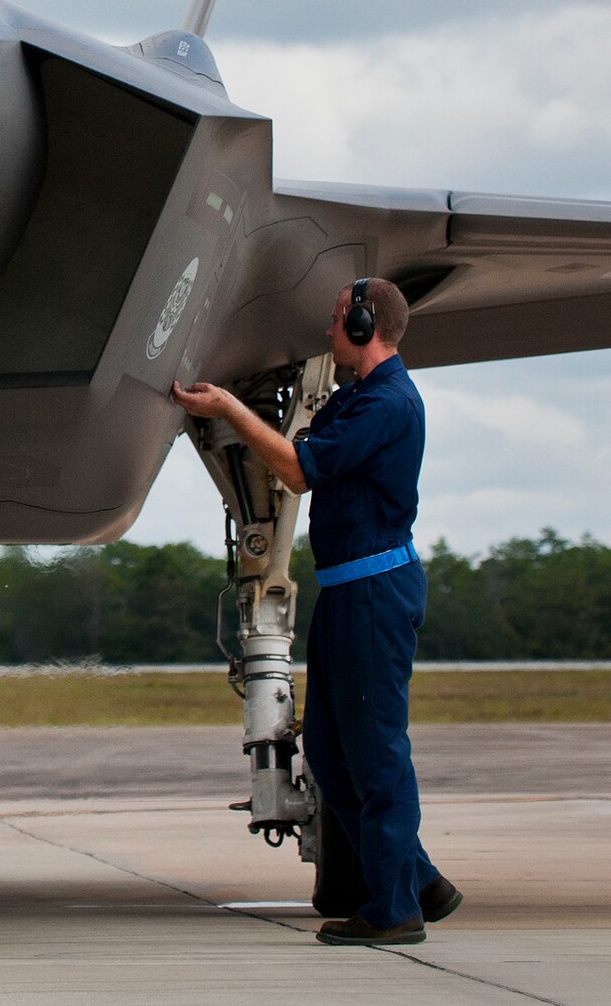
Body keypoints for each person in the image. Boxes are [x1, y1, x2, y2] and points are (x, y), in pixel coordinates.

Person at [174, 278, 461, 946]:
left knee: (376, 754)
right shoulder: (355, 397)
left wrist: (228, 408)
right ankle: (418, 878)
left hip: (373, 593)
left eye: (338, 321)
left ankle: (395, 911)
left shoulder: (389, 404)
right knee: (330, 754)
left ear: (365, 327)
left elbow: (300, 469)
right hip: (344, 592)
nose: (328, 332)